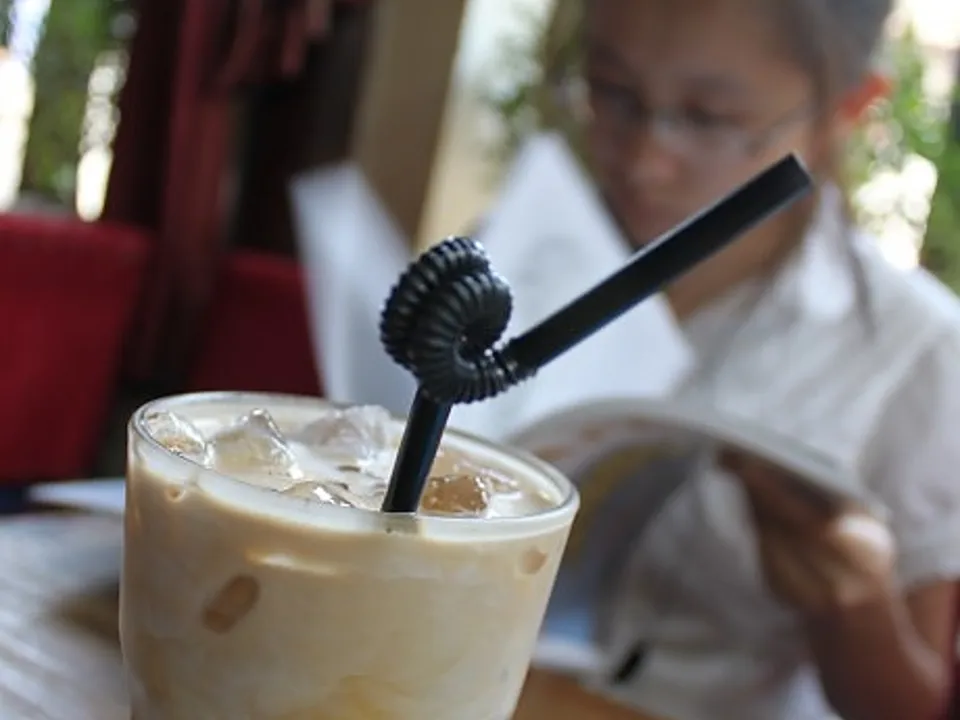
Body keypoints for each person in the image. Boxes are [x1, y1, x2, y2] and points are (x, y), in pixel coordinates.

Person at [563, 1, 960, 719]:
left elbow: (912, 703)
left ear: (845, 109)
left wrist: (851, 605)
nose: (646, 163)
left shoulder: (914, 348)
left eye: (710, 118)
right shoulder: (534, 251)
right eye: (613, 93)